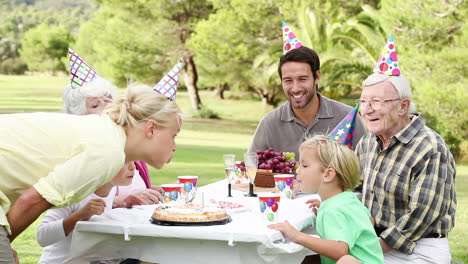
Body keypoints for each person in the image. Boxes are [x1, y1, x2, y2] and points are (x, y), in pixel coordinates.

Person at [0, 83, 182, 262]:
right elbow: (32, 200)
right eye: (173, 135)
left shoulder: (107, 135)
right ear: (150, 129)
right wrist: (6, 245)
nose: (174, 146)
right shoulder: (108, 151)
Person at [355, 73, 456, 263]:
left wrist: (371, 248)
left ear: (403, 106)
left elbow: (422, 214)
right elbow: (355, 188)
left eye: (376, 101)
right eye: (363, 101)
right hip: (375, 239)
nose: (366, 110)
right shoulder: (368, 141)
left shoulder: (430, 147)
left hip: (420, 247)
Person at [269, 135, 383, 264]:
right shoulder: (347, 200)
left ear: (328, 174)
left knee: (347, 261)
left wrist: (297, 236)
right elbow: (369, 221)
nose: (297, 170)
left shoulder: (334, 209)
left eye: (305, 166)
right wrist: (327, 212)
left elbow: (340, 250)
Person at [62, 76, 164, 207]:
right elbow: (74, 202)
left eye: (109, 100)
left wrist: (151, 190)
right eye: (95, 105)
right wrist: (120, 201)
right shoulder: (79, 151)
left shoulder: (125, 142)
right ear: (79, 115)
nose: (107, 108)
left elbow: (130, 186)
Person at [248, 46, 366, 159]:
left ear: (317, 77)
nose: (295, 88)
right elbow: (252, 168)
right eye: (288, 80)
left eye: (302, 79)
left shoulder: (348, 117)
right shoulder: (269, 123)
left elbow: (365, 168)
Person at [37, 161, 136, 264]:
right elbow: (42, 236)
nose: (133, 166)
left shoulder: (111, 189)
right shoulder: (73, 192)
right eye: (125, 161)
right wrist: (79, 216)